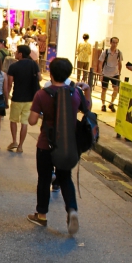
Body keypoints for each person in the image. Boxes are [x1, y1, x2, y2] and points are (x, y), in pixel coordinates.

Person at [27, 58, 91, 234]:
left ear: (51, 73)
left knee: (44, 179)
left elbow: (32, 121)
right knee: (65, 178)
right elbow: (87, 109)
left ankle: (41, 216)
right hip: (67, 145)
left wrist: (44, 115)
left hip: (45, 144)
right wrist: (88, 91)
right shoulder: (75, 93)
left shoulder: (42, 94)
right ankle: (72, 210)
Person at [6, 45, 40, 154]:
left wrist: (6, 97)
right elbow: (39, 78)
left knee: (13, 120)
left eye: (16, 52)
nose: (15, 54)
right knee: (24, 122)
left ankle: (14, 141)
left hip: (17, 97)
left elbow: (9, 83)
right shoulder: (34, 64)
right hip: (30, 99)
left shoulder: (14, 67)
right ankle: (20, 146)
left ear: (20, 54)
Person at [98, 37, 122, 112]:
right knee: (104, 89)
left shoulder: (119, 53)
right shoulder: (105, 52)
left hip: (115, 73)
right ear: (110, 43)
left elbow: (120, 63)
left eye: (116, 43)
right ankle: (103, 104)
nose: (115, 44)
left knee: (116, 89)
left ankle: (111, 103)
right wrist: (100, 74)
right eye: (113, 42)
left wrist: (119, 73)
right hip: (106, 72)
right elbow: (100, 63)